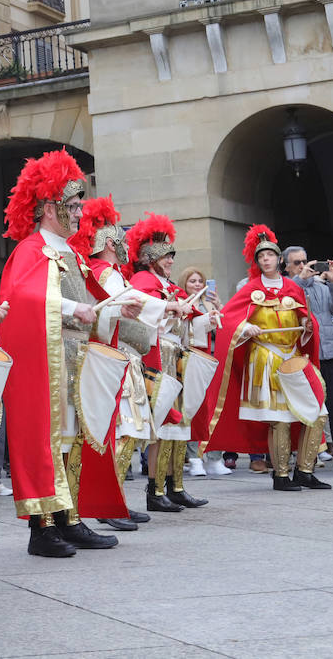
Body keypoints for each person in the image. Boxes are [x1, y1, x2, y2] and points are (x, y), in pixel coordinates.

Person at [0, 150, 121, 558]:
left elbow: (96, 298)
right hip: (48, 357)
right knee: (47, 437)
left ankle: (70, 515)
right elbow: (23, 297)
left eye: (78, 205)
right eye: (71, 206)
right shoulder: (30, 249)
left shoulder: (72, 254)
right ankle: (43, 525)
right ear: (49, 208)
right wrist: (70, 308)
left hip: (75, 354)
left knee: (73, 437)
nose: (78, 213)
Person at [205, 224, 328, 493]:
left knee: (317, 414)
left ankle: (305, 471)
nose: (265, 260)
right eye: (261, 257)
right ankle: (280, 475)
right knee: (279, 419)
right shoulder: (250, 289)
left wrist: (308, 327)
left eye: (270, 255)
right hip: (265, 359)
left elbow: (306, 320)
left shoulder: (293, 289)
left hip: (294, 358)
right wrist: (245, 328)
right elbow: (229, 320)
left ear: (279, 259)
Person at [68, 196, 164, 530]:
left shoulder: (103, 271)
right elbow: (128, 303)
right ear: (111, 242)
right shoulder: (106, 273)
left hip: (115, 355)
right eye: (120, 238)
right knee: (124, 431)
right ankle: (107, 503)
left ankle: (115, 499)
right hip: (112, 358)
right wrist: (168, 309)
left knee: (124, 431)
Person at [126, 215, 209, 511]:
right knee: (162, 423)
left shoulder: (166, 283)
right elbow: (141, 317)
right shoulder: (142, 280)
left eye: (172, 255)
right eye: (165, 256)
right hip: (157, 354)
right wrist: (172, 311)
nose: (171, 260)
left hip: (175, 353)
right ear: (150, 258)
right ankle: (155, 489)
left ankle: (176, 485)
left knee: (178, 423)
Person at [283, 247, 333, 473]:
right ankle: (304, 459)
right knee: (305, 409)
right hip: (304, 355)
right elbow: (288, 300)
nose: (302, 265)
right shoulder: (288, 286)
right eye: (296, 262)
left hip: (331, 352)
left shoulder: (322, 286)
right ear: (286, 266)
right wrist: (302, 280)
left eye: (305, 261)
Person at [175, 266, 231, 477]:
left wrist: (219, 307)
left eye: (200, 281)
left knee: (213, 408)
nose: (197, 285)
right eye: (192, 281)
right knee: (193, 408)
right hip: (189, 359)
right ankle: (194, 458)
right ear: (184, 283)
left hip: (210, 359)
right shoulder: (180, 303)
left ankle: (215, 458)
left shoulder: (208, 304)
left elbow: (225, 331)